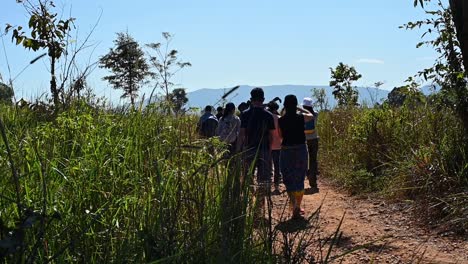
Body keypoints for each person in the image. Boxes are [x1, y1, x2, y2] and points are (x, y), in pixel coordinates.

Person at [238, 88, 275, 218]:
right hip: (264, 150)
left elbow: (242, 134)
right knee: (263, 180)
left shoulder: (245, 114)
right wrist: (270, 151)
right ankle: (259, 210)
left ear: (251, 99)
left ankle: (249, 201)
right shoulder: (268, 115)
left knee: (248, 178)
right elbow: (271, 137)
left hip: (248, 150)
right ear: (263, 99)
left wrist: (239, 150)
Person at [278, 95, 314, 219]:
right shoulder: (301, 117)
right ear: (296, 105)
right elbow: (311, 116)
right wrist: (301, 109)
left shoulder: (281, 120)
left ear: (285, 105)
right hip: (300, 149)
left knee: (288, 177)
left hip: (286, 150)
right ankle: (298, 206)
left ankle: (293, 205)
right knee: (299, 177)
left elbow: (280, 136)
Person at [303, 97, 320, 192]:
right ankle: (313, 181)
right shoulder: (315, 114)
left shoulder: (301, 115)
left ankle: (306, 175)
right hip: (313, 138)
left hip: (303, 140)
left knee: (304, 160)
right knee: (313, 159)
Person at [267, 100, 282, 194]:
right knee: (277, 167)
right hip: (278, 145)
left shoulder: (266, 118)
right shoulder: (279, 118)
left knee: (268, 167)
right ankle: (276, 186)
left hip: (268, 146)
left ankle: (267, 186)